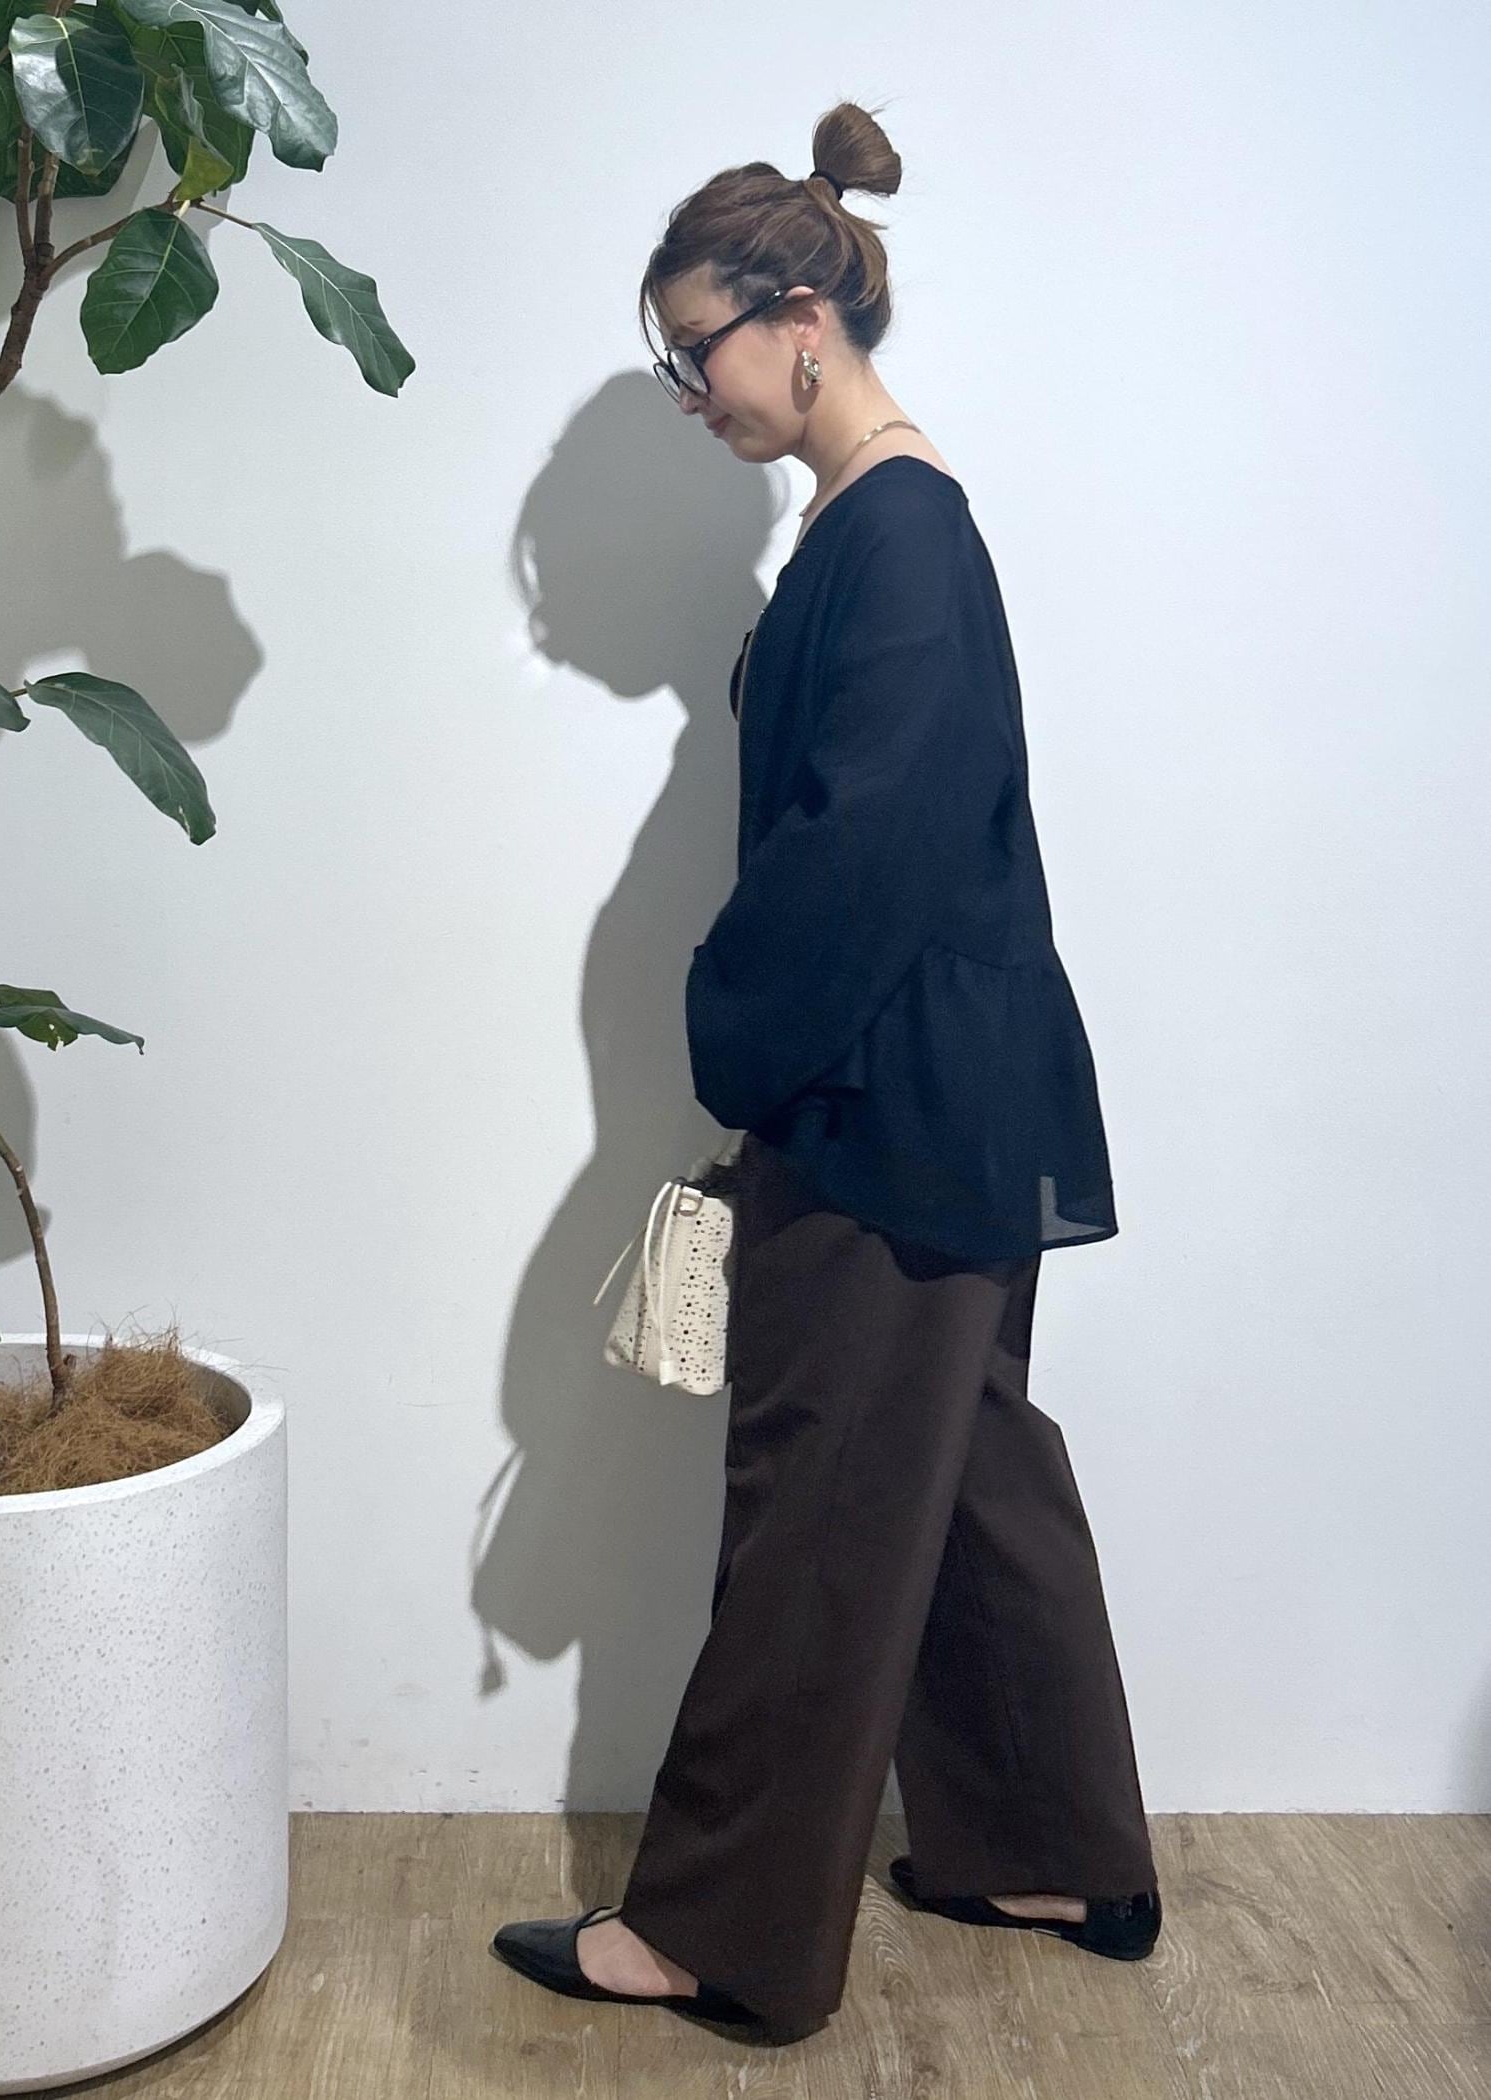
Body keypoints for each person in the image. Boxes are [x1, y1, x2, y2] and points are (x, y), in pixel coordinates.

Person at [492, 99, 1161, 2047]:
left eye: (695, 352)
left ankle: (718, 1935)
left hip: (887, 1107)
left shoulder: (900, 537)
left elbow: (862, 851)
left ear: (801, 322)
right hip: (944, 1094)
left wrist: (732, 1034)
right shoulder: (871, 529)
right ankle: (1054, 1849)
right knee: (967, 1475)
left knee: (817, 1509)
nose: (691, 394)